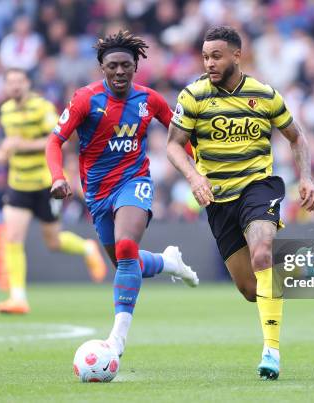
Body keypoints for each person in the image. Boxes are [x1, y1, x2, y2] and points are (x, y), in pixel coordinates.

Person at [166, 26, 314, 380]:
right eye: (205, 57)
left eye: (216, 56)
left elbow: (297, 137)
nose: (209, 64)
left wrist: (306, 177)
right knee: (252, 289)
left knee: (262, 253)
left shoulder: (263, 94)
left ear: (237, 55)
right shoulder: (193, 96)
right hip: (218, 200)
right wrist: (194, 176)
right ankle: (299, 266)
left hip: (258, 187)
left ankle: (271, 352)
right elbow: (174, 145)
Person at [46, 30, 199, 358]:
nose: (119, 72)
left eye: (126, 66)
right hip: (97, 194)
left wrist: (200, 168)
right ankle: (167, 262)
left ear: (135, 66)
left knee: (127, 246)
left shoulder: (150, 100)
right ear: (102, 67)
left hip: (134, 181)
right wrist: (58, 177)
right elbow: (54, 141)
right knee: (124, 262)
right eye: (112, 66)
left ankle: (117, 338)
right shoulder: (85, 100)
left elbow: (181, 136)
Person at [0, 68, 108, 315]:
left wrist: (20, 145)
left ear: (27, 84)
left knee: (53, 241)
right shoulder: (5, 111)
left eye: (18, 81)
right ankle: (18, 298)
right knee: (12, 238)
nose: (14, 86)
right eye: (10, 82)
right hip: (18, 184)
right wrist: (3, 152)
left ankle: (87, 248)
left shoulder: (42, 108)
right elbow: (9, 144)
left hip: (46, 184)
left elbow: (57, 139)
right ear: (5, 87)